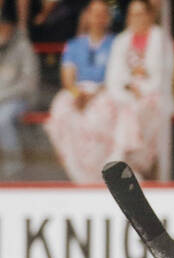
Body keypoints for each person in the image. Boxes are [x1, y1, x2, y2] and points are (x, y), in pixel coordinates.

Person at [45, 0, 116, 183]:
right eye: (94, 13)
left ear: (108, 18)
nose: (98, 18)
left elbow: (115, 76)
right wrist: (78, 94)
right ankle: (75, 174)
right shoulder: (74, 45)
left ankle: (100, 175)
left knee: (99, 118)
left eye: (102, 14)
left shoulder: (115, 43)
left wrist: (93, 95)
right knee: (62, 112)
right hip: (78, 91)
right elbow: (68, 78)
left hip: (103, 91)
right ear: (87, 16)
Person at [103, 0, 174, 177]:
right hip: (125, 95)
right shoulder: (121, 41)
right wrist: (129, 86)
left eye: (141, 14)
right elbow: (114, 75)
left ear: (150, 15)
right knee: (108, 110)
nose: (137, 19)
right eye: (133, 14)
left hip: (153, 95)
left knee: (140, 110)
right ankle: (121, 163)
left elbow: (164, 74)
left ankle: (128, 162)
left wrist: (141, 89)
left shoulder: (161, 39)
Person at [0, 9, 38, 177]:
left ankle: (14, 169)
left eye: (1, 26)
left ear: (11, 27)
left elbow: (29, 83)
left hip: (14, 99)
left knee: (2, 119)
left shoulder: (23, 47)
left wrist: (2, 95)